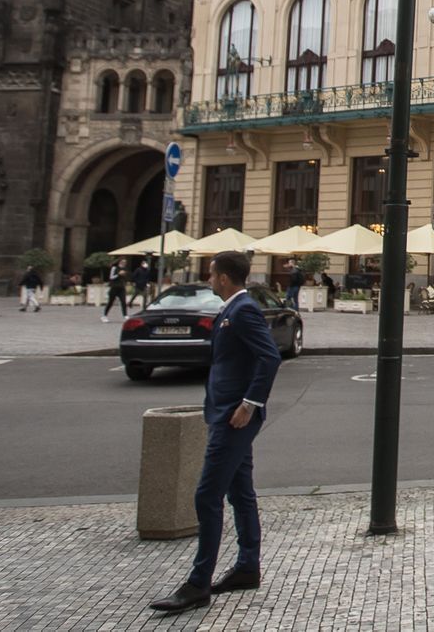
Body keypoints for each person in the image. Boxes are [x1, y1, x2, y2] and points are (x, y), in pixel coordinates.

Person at [148, 249, 281, 614]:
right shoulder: (232, 309)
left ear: (223, 277)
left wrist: (249, 403)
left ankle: (198, 584)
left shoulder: (244, 309)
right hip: (226, 413)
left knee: (207, 496)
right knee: (241, 493)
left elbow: (269, 356)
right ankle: (247, 567)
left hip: (233, 418)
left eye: (211, 274)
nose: (209, 280)